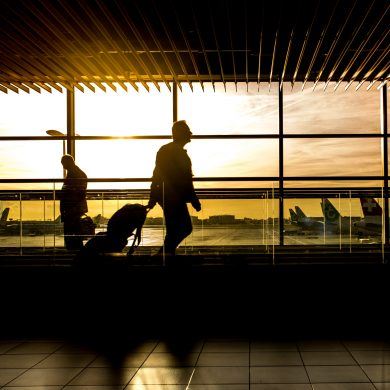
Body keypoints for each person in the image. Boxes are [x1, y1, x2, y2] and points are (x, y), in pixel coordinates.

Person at [148, 120, 201, 256]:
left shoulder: (166, 150)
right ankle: (164, 255)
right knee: (184, 228)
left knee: (175, 229)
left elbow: (157, 175)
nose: (191, 133)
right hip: (173, 197)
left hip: (168, 196)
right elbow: (185, 180)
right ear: (180, 133)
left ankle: (165, 255)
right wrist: (194, 199)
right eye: (188, 131)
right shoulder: (176, 152)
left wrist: (153, 197)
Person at [59, 154, 88, 250]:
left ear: (69, 162)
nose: (63, 166)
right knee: (75, 235)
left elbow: (78, 193)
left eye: (63, 163)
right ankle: (75, 253)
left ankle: (74, 254)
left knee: (72, 234)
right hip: (73, 209)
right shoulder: (77, 173)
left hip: (72, 209)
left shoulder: (75, 174)